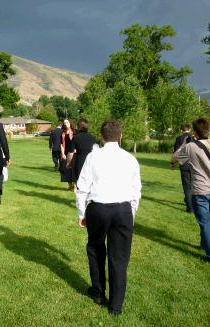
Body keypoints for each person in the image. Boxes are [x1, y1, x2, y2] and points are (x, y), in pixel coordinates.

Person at [76, 120, 141, 316]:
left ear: (102, 137)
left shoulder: (93, 157)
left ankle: (97, 292)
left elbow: (82, 188)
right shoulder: (130, 159)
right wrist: (131, 213)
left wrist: (82, 213)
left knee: (95, 249)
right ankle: (115, 306)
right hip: (123, 210)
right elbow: (136, 191)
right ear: (120, 136)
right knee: (119, 258)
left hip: (98, 209)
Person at [171, 118, 210, 267]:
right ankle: (204, 244)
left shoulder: (190, 147)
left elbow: (174, 157)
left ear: (194, 132)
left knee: (205, 224)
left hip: (200, 192)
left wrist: (185, 143)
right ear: (208, 129)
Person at [171, 123, 193, 213]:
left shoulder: (179, 139)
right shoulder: (194, 138)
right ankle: (191, 202)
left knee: (187, 186)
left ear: (181, 130)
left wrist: (173, 163)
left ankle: (190, 207)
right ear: (190, 129)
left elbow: (177, 152)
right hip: (194, 164)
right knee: (194, 185)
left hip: (184, 164)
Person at [72, 118, 97, 183]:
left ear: (78, 127)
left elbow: (70, 152)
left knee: (80, 183)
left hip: (79, 162)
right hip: (91, 163)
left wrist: (69, 163)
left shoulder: (76, 138)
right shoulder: (93, 138)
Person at [60, 119, 75, 191]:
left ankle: (75, 186)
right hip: (65, 153)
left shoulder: (74, 132)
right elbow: (61, 145)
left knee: (73, 169)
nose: (66, 123)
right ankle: (70, 185)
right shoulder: (63, 133)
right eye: (64, 122)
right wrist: (63, 154)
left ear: (70, 123)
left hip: (73, 153)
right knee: (65, 169)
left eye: (67, 122)